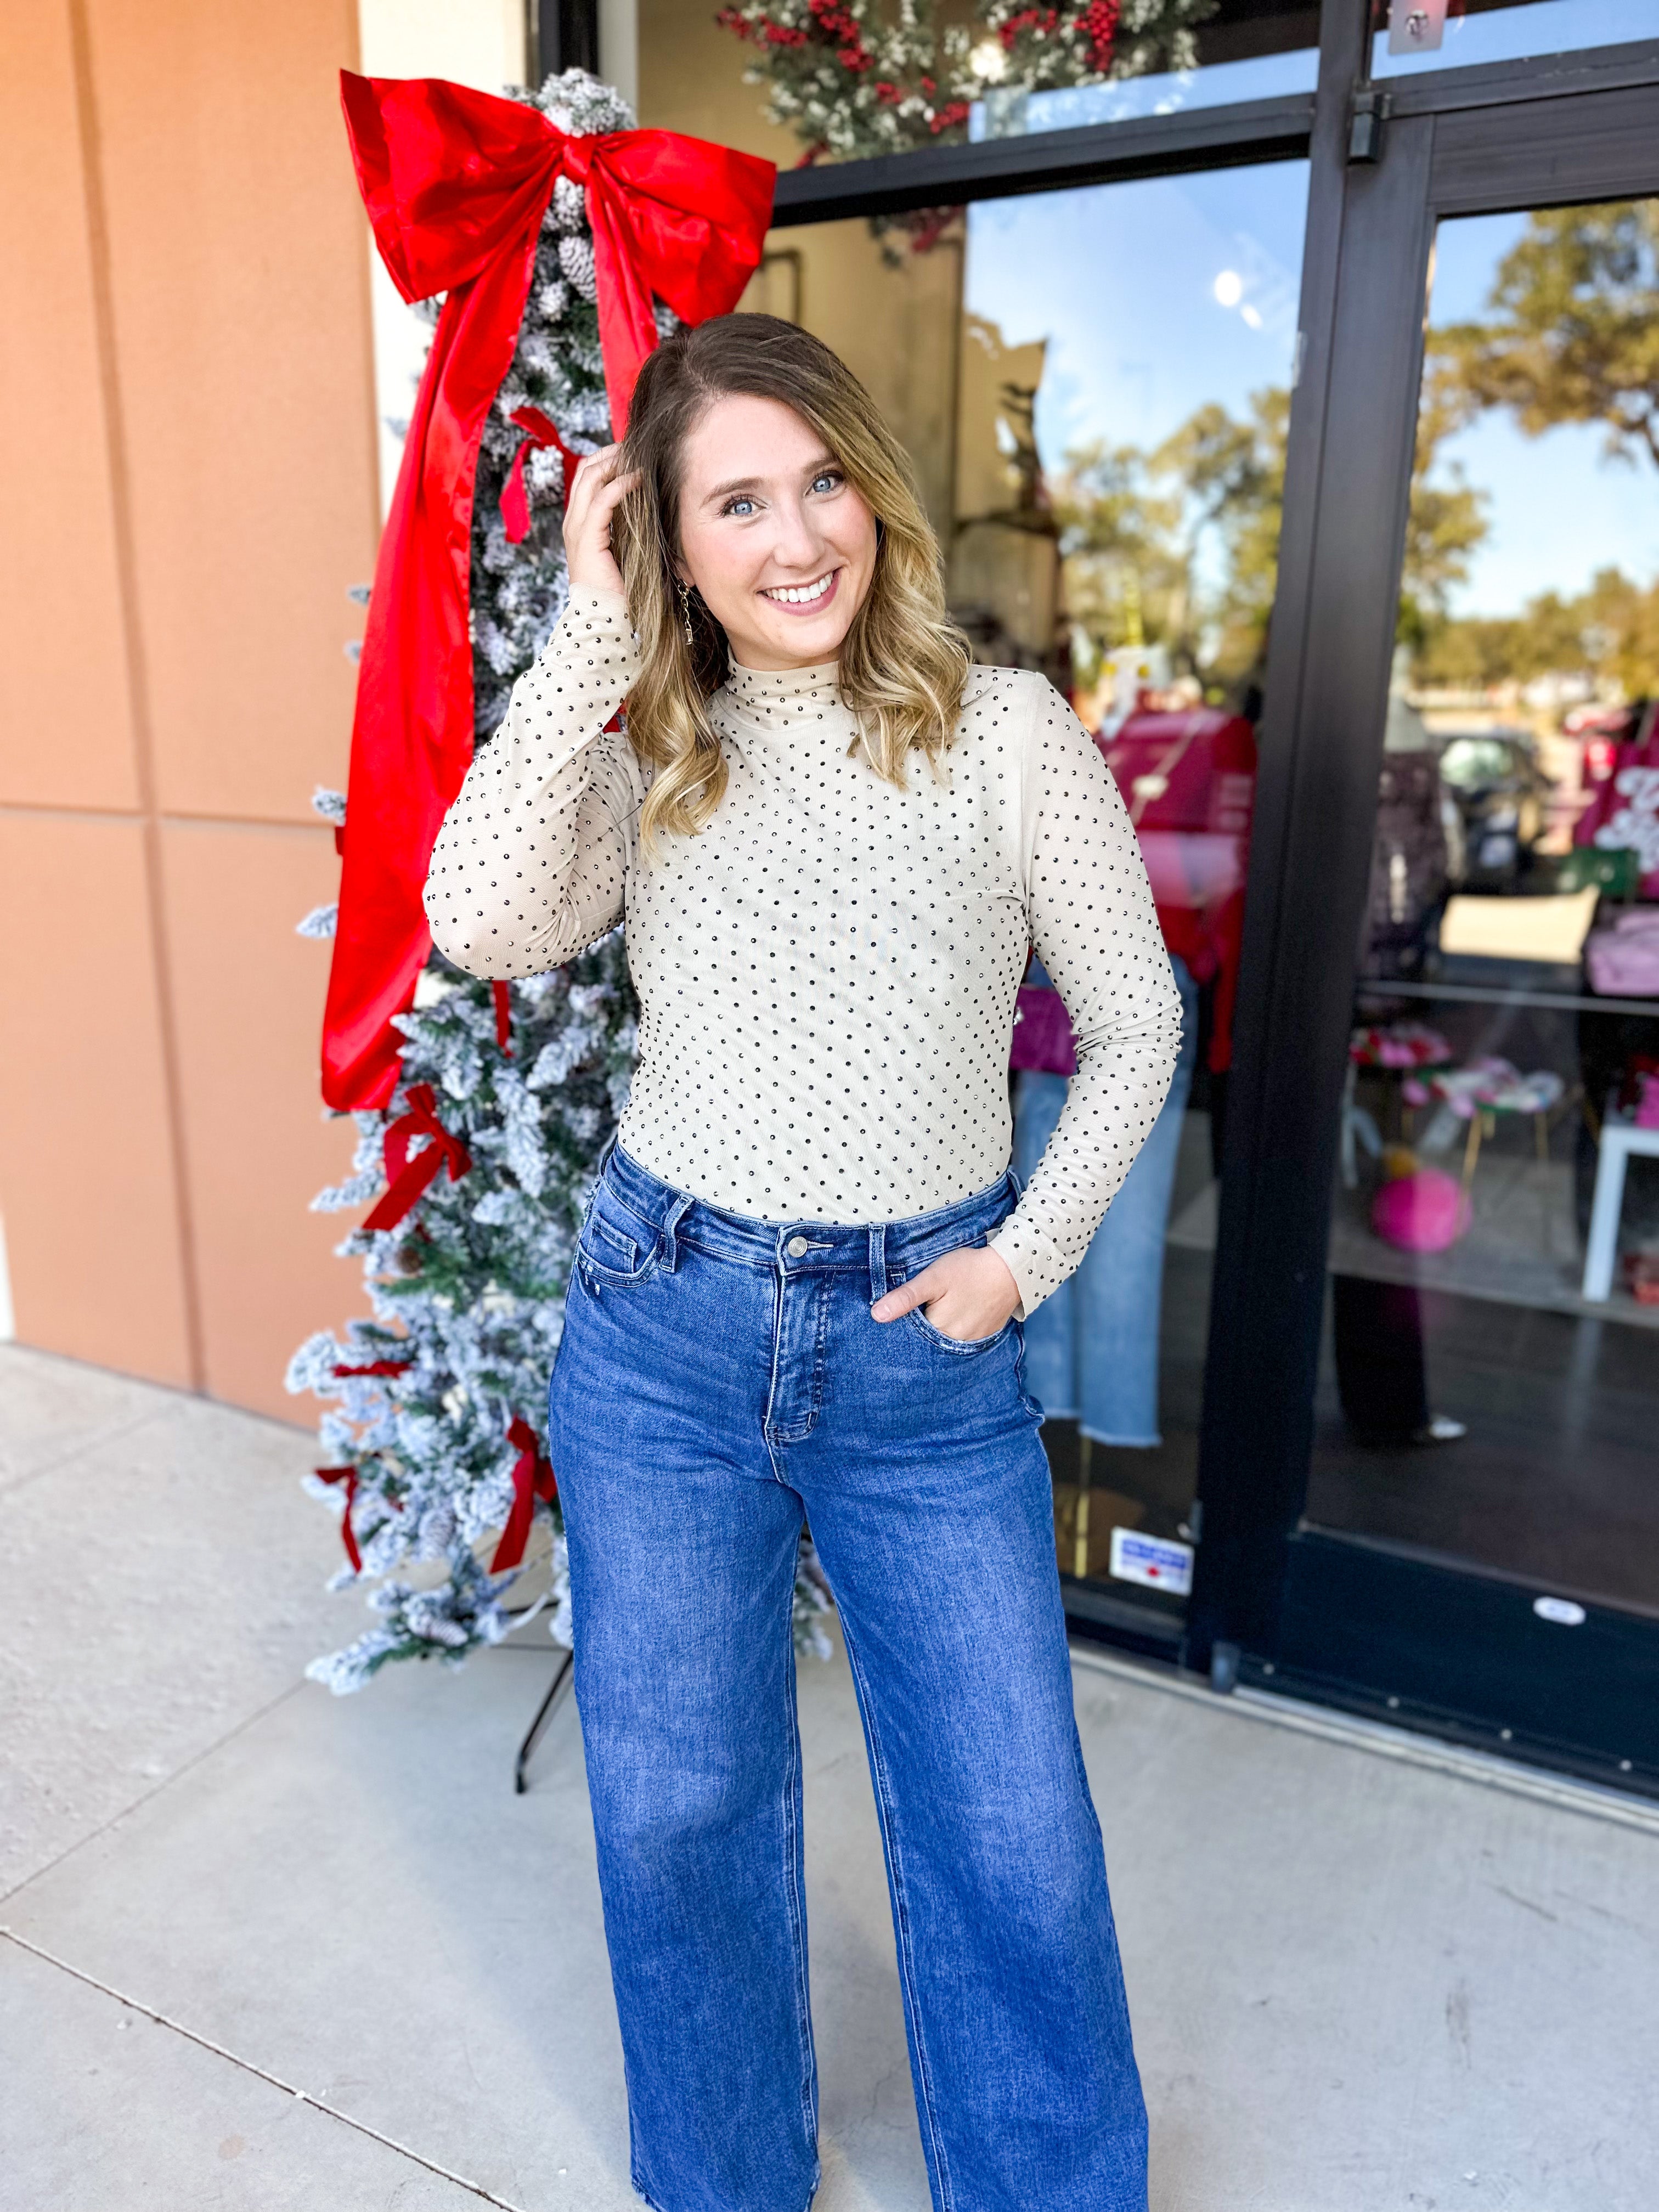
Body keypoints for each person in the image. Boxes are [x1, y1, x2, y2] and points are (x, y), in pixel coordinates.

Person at [425, 313, 1183, 2212]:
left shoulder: (1009, 735)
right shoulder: (640, 764)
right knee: (680, 1810)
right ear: (668, 546)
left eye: (822, 478)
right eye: (735, 503)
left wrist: (1026, 1256)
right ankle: (728, 2179)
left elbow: (1138, 1021)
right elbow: (481, 918)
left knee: (1012, 1832)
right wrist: (587, 647)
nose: (796, 537)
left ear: (876, 489)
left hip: (928, 1353)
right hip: (662, 1334)